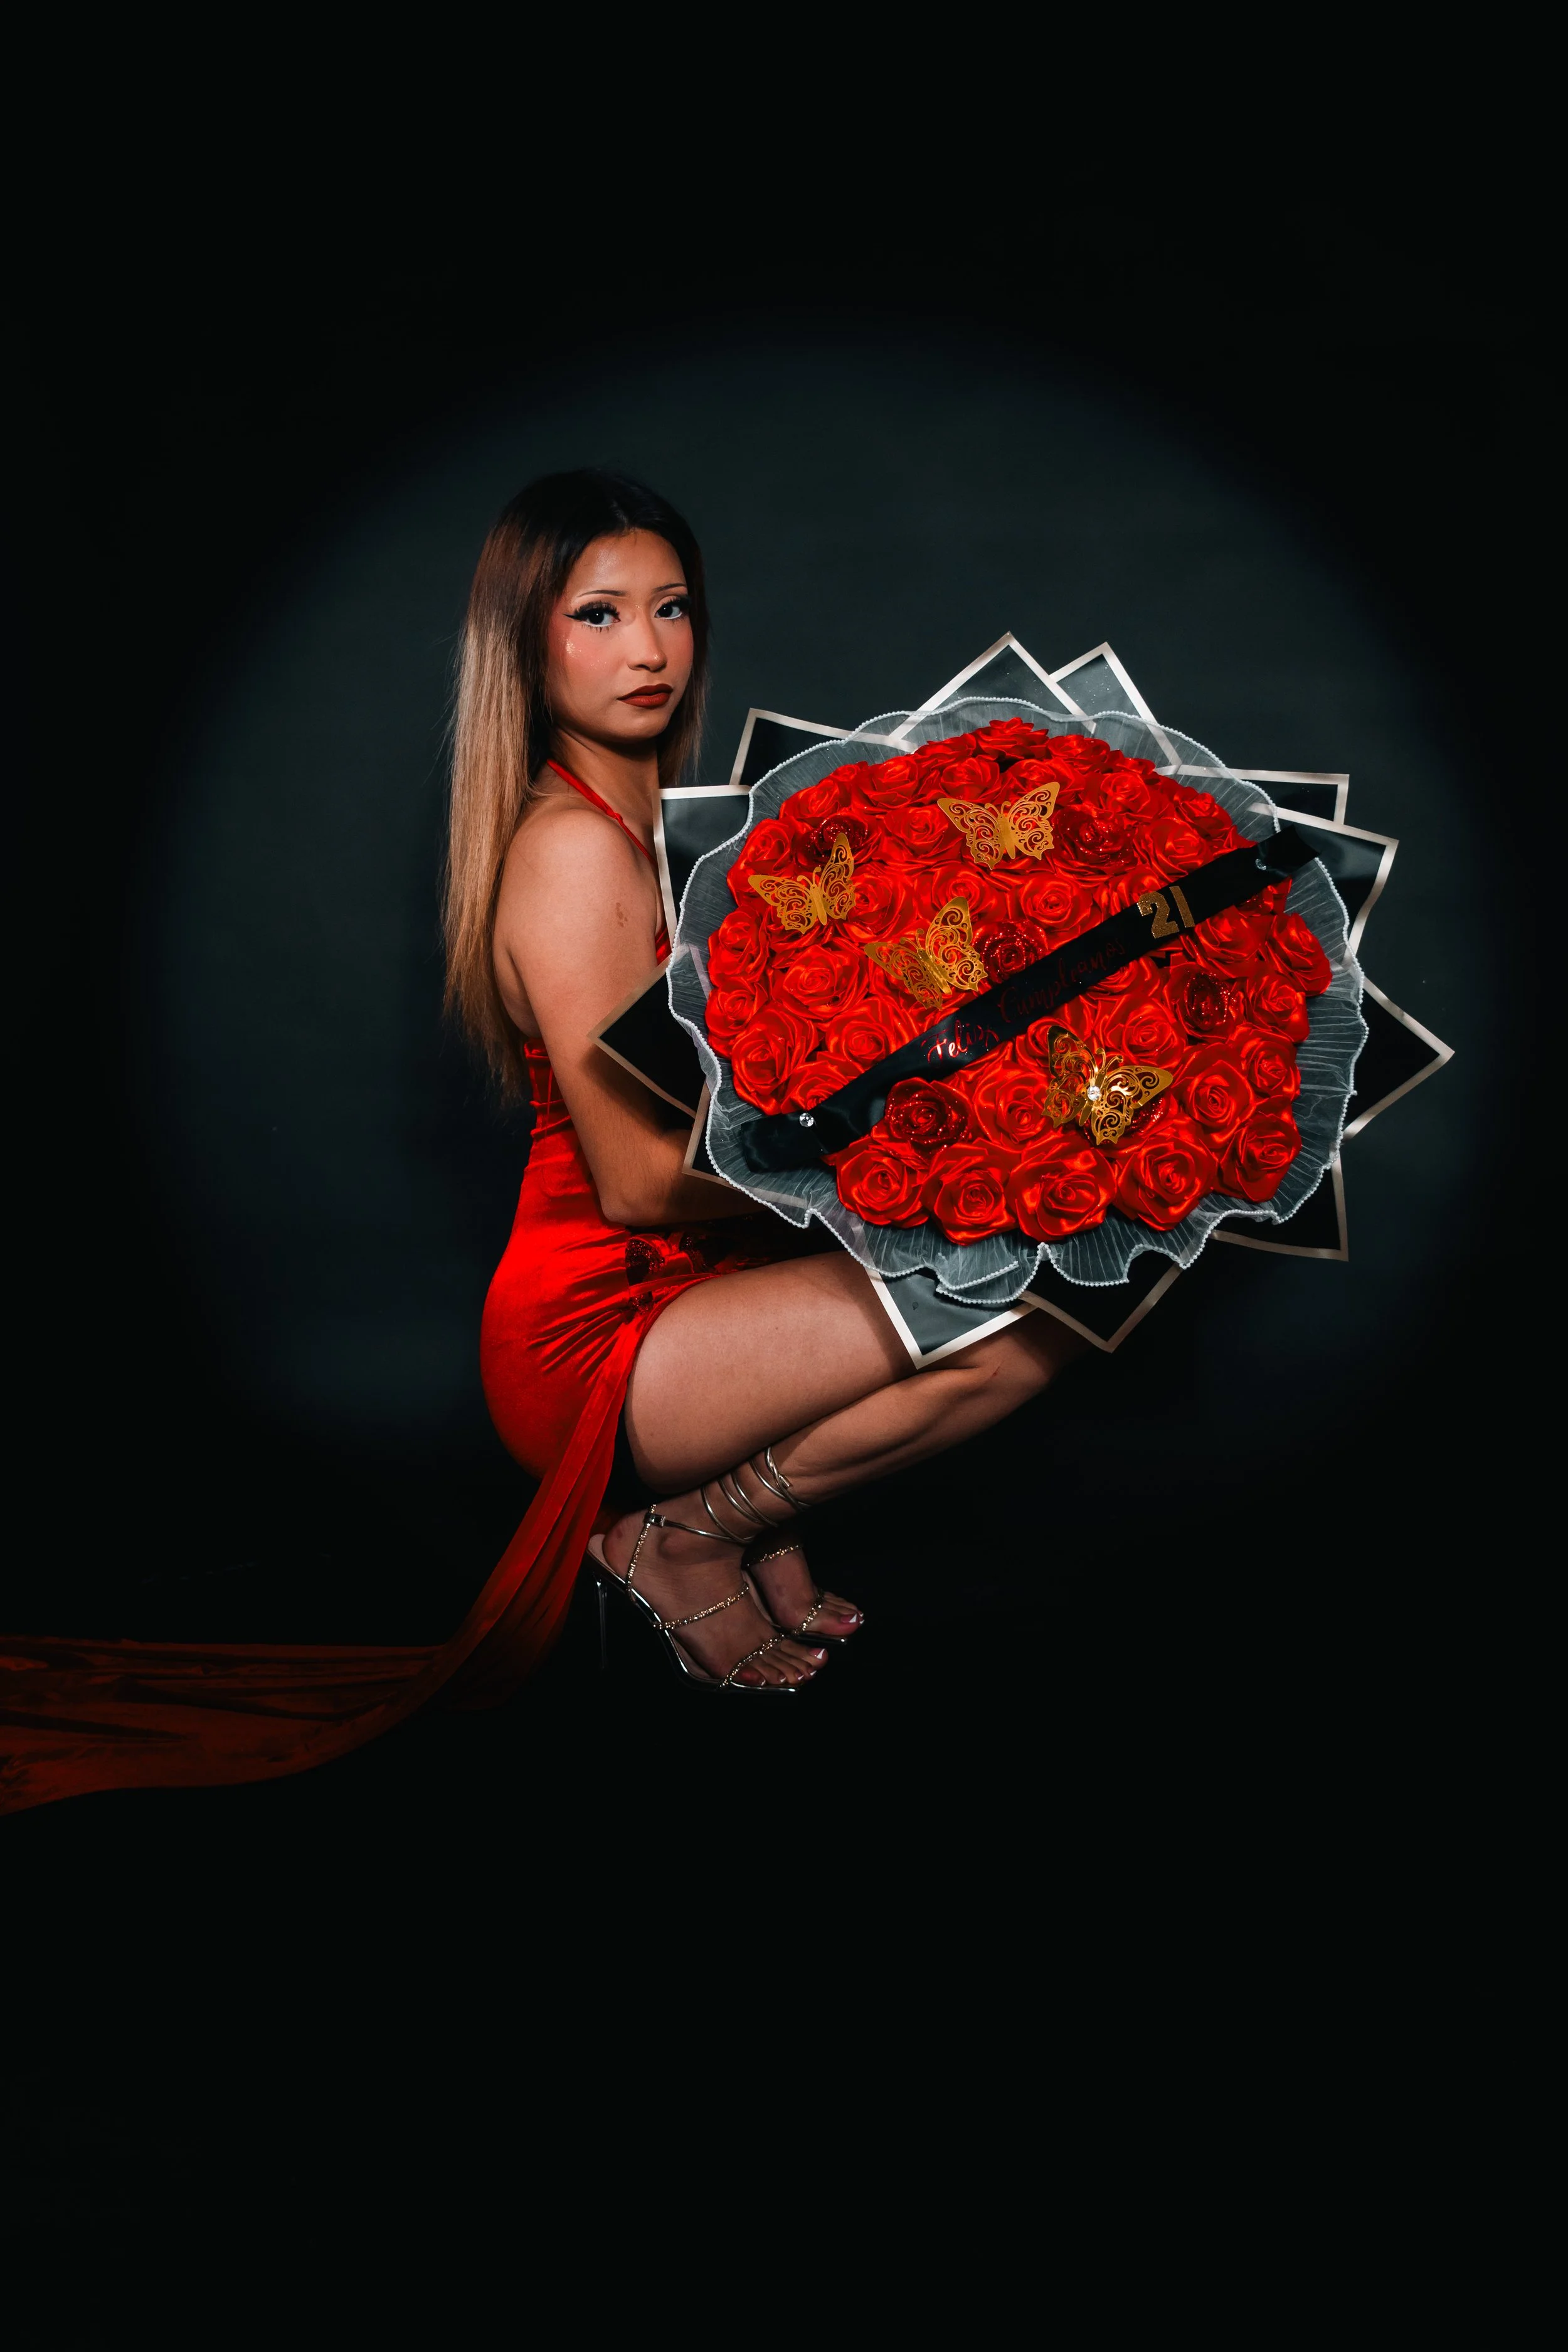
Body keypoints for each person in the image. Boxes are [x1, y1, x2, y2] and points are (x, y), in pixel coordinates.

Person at [452, 470, 1082, 1693]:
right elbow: (635, 1183)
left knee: (1049, 1274)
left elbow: (766, 1079)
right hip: (600, 1332)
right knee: (1019, 1312)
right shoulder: (573, 848)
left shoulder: (669, 831)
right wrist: (905, 1156)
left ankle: (729, 1515)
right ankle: (690, 1539)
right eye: (598, 614)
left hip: (697, 1299)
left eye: (671, 607)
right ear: (522, 644)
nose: (648, 648)